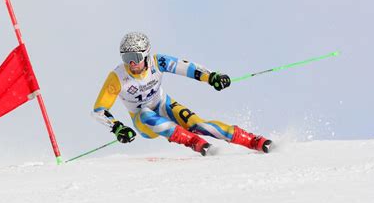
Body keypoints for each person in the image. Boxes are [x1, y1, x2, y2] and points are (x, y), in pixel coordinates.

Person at [92, 32, 272, 156]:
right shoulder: (117, 77)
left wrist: (212, 77)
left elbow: (187, 67)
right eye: (126, 58)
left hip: (164, 104)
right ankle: (195, 143)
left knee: (197, 124)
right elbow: (99, 110)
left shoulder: (157, 61)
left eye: (136, 58)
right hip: (143, 122)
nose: (131, 64)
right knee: (145, 113)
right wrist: (117, 127)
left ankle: (254, 141)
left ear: (146, 55)